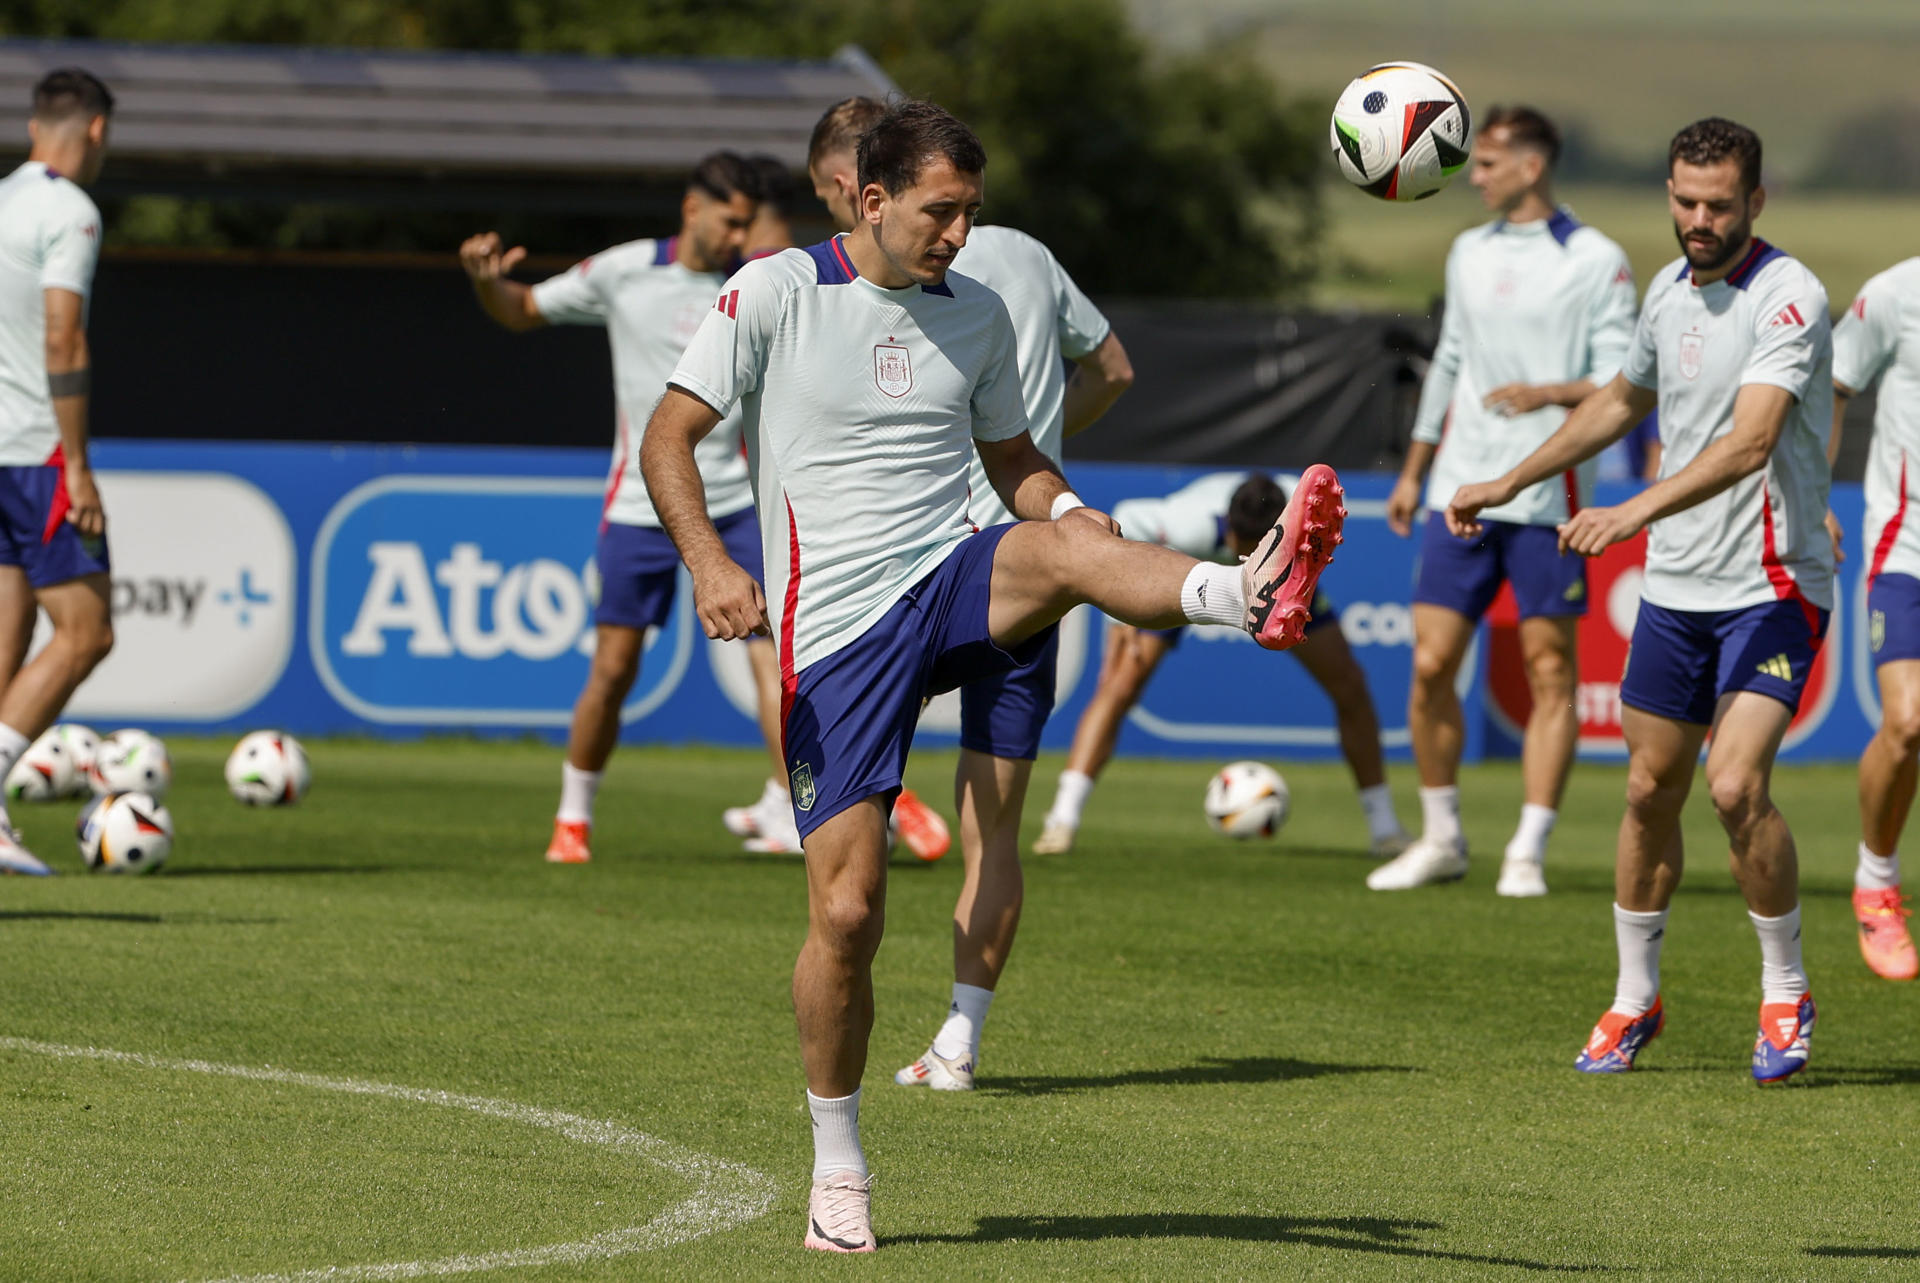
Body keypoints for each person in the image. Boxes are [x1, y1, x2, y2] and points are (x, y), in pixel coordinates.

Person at [643, 99, 1344, 1252]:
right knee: (849, 912)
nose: (962, 234)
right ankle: (838, 1158)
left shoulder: (975, 312)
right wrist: (713, 561)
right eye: (941, 210)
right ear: (872, 200)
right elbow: (670, 436)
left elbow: (1016, 459)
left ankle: (1245, 592)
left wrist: (1073, 512)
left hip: (955, 573)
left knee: (1065, 547)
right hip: (839, 635)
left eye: (973, 211)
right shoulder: (773, 290)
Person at [1450, 117, 1832, 1083]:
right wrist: (1506, 481)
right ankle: (1633, 1000)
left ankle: (1785, 991)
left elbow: (1750, 444)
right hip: (1676, 592)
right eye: (1684, 201)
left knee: (1736, 785)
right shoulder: (1667, 290)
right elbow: (1619, 403)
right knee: (1646, 791)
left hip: (1773, 585)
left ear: (1756, 199)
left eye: (1718, 204)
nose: (1698, 220)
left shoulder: (1788, 296)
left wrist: (1630, 510)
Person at [806, 95, 1138, 1092]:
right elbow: (1114, 366)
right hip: (1025, 555)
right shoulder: (1031, 256)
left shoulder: (881, 274)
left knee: (847, 842)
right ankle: (960, 1038)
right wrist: (1050, 464)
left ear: (865, 187)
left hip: (906, 565)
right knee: (994, 822)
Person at [457, 152, 798, 862]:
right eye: (730, 221)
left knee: (775, 659)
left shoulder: (758, 281)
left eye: (748, 224)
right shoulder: (624, 270)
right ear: (692, 208)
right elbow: (521, 309)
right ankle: (573, 817)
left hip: (737, 503)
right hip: (641, 503)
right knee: (613, 671)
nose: (739, 237)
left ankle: (798, 806)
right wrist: (488, 284)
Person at [1375, 106, 1638, 897]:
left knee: (1550, 668)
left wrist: (1549, 392)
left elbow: (1626, 378)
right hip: (1461, 485)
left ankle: (1527, 845)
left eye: (1486, 162)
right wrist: (1416, 467)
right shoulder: (1467, 250)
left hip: (1550, 496)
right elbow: (1449, 360)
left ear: (1531, 166)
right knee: (1429, 665)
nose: (1471, 174)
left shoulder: (1597, 259)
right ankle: (1443, 836)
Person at [1035, 471, 1409, 856]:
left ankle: (1385, 830)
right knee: (1120, 682)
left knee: (1349, 683)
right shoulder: (1190, 525)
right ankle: (1062, 820)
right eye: (1240, 549)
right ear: (1228, 528)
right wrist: (1119, 619)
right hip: (1188, 572)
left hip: (1281, 580)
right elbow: (1129, 515)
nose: (1245, 561)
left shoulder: (1302, 512)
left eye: (1255, 552)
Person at [0, 69, 117, 877]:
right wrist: (76, 466)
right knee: (86, 632)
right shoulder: (70, 211)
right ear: (98, 131)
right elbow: (63, 342)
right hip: (36, 449)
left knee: (7, 641)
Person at [1831, 256, 1920, 981]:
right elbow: (1830, 385)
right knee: (1909, 719)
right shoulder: (1894, 293)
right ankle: (1876, 879)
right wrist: (1814, 495)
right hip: (1905, 544)